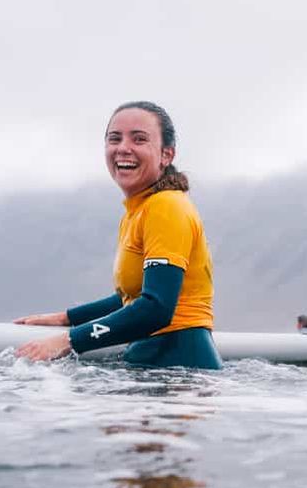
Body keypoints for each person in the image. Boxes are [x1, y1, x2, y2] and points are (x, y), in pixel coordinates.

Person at [14, 101, 222, 370]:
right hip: (160, 362)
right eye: (115, 138)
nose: (123, 147)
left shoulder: (166, 206)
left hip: (182, 371)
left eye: (139, 139)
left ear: (166, 155)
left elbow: (156, 308)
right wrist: (66, 318)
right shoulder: (139, 210)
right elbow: (130, 298)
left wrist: (69, 340)